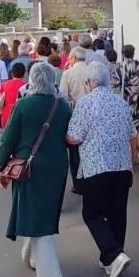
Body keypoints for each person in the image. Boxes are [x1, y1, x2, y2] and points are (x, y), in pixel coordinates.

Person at [0, 62, 72, 277]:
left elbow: (8, 138)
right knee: (41, 211)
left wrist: (1, 166)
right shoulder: (63, 106)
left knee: (36, 216)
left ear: (32, 80)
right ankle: (30, 255)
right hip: (57, 166)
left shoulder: (23, 105)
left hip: (29, 168)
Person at [67, 62, 137, 277]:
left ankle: (114, 255)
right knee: (117, 213)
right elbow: (131, 136)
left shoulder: (85, 103)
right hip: (121, 166)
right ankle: (112, 257)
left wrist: (67, 138)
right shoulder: (121, 102)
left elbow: (75, 137)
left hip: (96, 168)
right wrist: (132, 163)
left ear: (89, 83)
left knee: (92, 214)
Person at [60, 47, 92, 194]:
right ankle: (91, 178)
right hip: (93, 113)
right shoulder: (92, 70)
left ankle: (78, 184)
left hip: (76, 114)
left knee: (74, 150)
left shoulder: (68, 73)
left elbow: (63, 96)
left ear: (72, 58)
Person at [112, 44, 139, 169]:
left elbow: (115, 86)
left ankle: (132, 157)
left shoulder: (119, 67)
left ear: (122, 54)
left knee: (128, 128)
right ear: (134, 53)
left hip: (127, 100)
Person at [0, 63, 28, 129]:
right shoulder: (26, 86)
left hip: (6, 114)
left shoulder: (5, 84)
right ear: (24, 74)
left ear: (12, 73)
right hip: (20, 114)